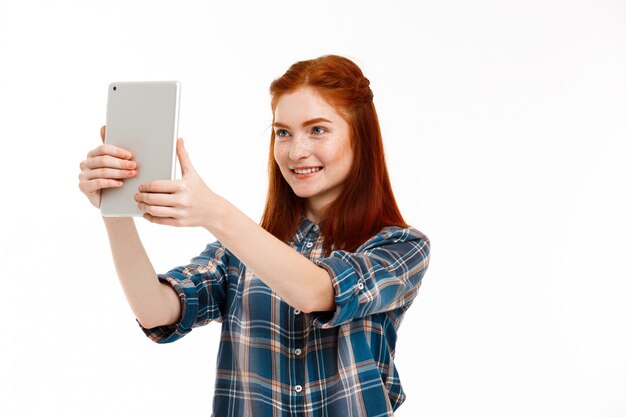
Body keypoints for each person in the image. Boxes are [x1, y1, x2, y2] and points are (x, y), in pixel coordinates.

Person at [78, 55, 430, 417]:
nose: (296, 151)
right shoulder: (239, 250)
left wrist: (214, 211)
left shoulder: (400, 248)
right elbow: (156, 311)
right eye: (283, 132)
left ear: (361, 136)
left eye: (318, 130)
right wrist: (114, 207)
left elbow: (317, 292)